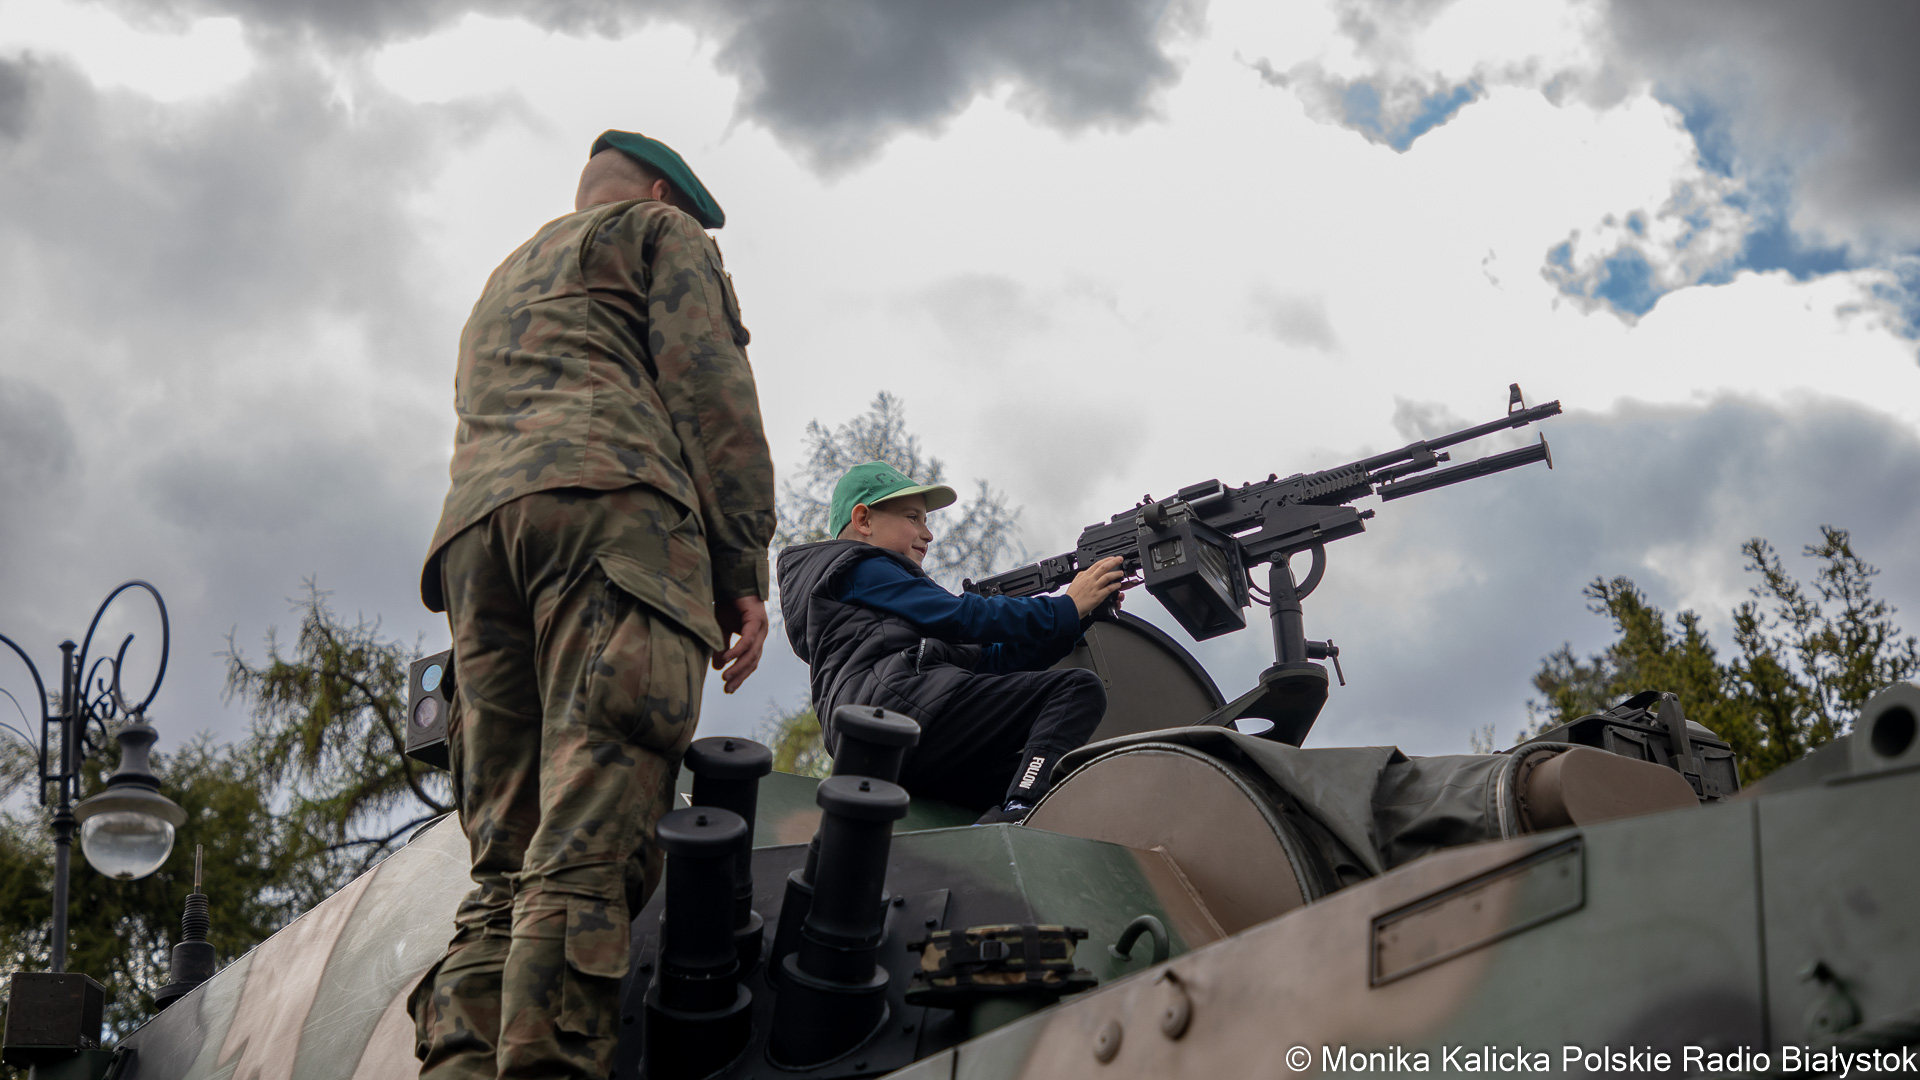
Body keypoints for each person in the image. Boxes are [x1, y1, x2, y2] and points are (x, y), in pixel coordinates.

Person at [409, 130, 775, 1080]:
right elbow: (709, 387)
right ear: (658, 194)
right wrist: (741, 564)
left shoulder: (503, 279)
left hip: (475, 548)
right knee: (588, 838)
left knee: (504, 866)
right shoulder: (659, 233)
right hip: (610, 517)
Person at [777, 460, 1126, 824]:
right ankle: (1021, 813)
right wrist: (1063, 608)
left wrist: (1077, 618)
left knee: (1036, 775)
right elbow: (964, 616)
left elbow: (992, 661)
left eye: (926, 521)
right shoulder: (859, 567)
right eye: (913, 517)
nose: (927, 534)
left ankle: (1004, 819)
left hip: (894, 744)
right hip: (897, 712)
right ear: (864, 521)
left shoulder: (892, 617)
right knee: (1076, 689)